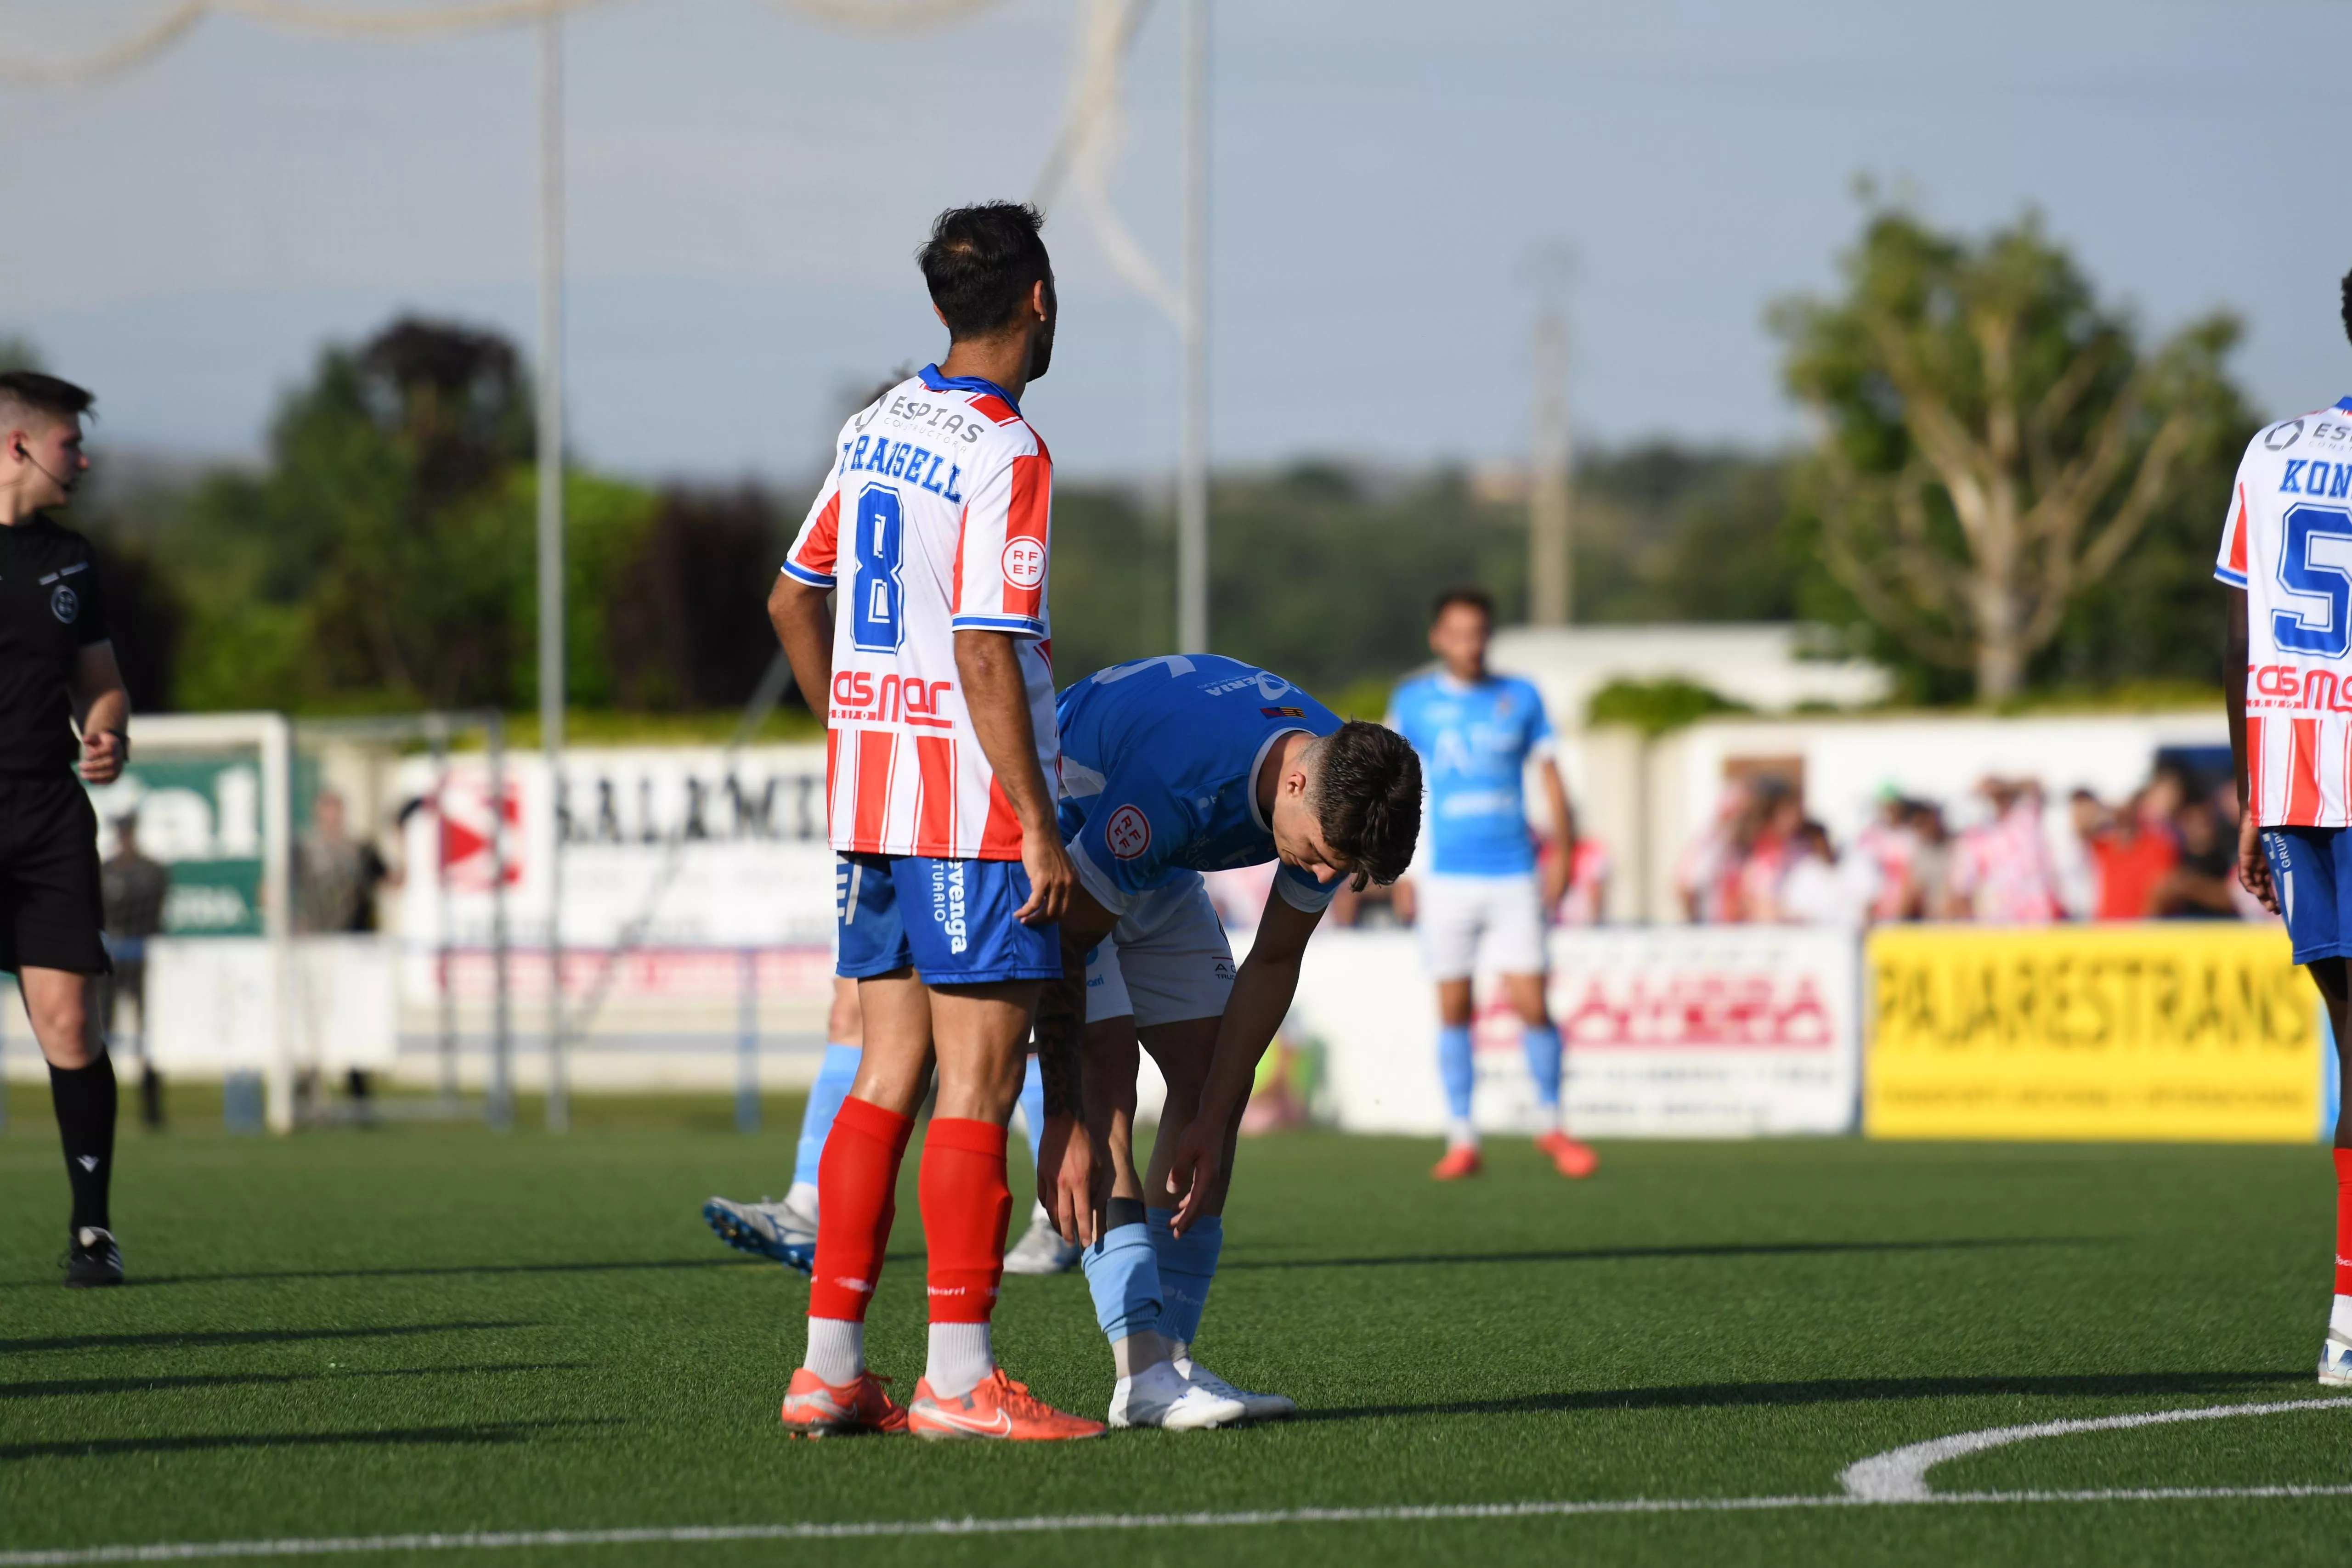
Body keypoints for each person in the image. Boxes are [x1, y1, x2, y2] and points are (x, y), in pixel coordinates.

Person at [764, 202, 1101, 1442]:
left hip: (873, 809)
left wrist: (855, 733)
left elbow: (791, 600)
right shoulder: (1007, 448)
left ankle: (830, 1366)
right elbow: (983, 643)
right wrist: (1036, 822)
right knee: (977, 1079)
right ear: (1041, 300)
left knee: (881, 1074)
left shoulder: (876, 421)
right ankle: (960, 1376)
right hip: (965, 815)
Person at [1032, 654, 1421, 1429]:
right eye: (1313, 854)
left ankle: (1173, 1366)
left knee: (1215, 1078)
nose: (1313, 870)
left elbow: (1275, 957)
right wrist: (1061, 1109)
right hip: (1069, 840)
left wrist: (1214, 1113)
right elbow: (1066, 945)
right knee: (1110, 1075)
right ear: (1298, 783)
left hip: (1157, 858)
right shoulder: (1182, 780)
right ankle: (1139, 1371)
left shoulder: (1333, 788)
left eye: (1331, 867)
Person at [2216, 281, 2352, 1386]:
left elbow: (2236, 634)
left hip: (2300, 778)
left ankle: (2346, 1325)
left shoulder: (2271, 450)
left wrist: (2253, 799)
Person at [1385, 589, 1595, 1181]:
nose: (1469, 644)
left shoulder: (1520, 697)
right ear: (1437, 638)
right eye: (1457, 633)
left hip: (1512, 872)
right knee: (1455, 1006)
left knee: (1532, 1002)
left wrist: (1563, 855)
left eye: (1478, 633)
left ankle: (1552, 1124)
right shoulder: (1414, 701)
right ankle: (1462, 1136)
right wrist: (1402, 869)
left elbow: (1551, 778)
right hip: (1447, 877)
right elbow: (1398, 787)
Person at [0, 371, 130, 1286]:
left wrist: (110, 730)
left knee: (69, 1025)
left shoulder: (71, 558)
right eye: (69, 443)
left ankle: (93, 1230)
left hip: (45, 813)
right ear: (17, 448)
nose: (82, 459)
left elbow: (103, 681)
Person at [703, 964, 1067, 1276]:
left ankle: (1058, 1215)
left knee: (1005, 1020)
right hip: (889, 881)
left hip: (970, 887)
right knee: (850, 1014)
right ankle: (808, 1208)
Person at [100, 812, 169, 1128]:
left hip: (142, 964)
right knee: (103, 1035)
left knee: (150, 1037)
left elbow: (154, 914)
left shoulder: (152, 871)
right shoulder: (105, 871)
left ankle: (152, 1108)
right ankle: (99, 1103)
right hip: (112, 963)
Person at [294, 789, 390, 934]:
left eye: (335, 811)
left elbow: (390, 882)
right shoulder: (304, 851)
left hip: (356, 937)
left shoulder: (361, 849)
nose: (332, 818)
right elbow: (272, 893)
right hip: (315, 936)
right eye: (327, 811)